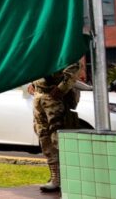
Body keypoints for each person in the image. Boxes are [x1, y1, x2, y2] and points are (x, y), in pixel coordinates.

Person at [28, 62, 80, 193]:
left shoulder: (62, 46)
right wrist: (32, 84)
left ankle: (67, 177)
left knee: (59, 138)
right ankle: (55, 178)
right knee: (44, 137)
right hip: (39, 96)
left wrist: (62, 88)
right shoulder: (41, 49)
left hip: (54, 98)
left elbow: (74, 67)